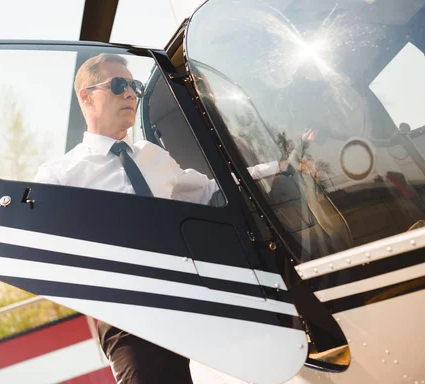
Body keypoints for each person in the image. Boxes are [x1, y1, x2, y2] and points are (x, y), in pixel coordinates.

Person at [35, 53, 287, 383]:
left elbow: (212, 191)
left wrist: (283, 167)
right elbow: (44, 252)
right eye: (118, 85)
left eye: (134, 86)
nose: (130, 94)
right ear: (86, 96)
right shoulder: (58, 176)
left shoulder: (153, 157)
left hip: (192, 299)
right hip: (129, 318)